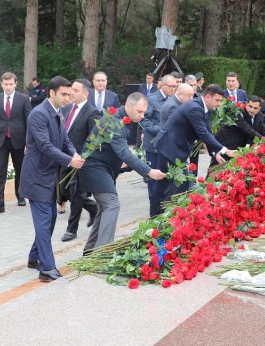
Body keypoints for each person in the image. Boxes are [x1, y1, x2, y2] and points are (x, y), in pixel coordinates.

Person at [78, 93, 166, 254]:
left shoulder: (125, 119)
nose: (142, 116)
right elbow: (124, 152)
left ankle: (91, 250)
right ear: (128, 106)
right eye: (139, 112)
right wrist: (148, 171)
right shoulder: (113, 122)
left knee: (104, 208)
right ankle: (103, 253)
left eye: (144, 112)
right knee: (112, 204)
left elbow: (119, 151)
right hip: (94, 167)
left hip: (104, 168)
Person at [20, 76, 85, 281]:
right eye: (63, 94)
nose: (67, 98)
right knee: (44, 221)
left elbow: (64, 139)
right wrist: (69, 161)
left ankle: (34, 257)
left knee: (49, 219)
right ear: (51, 93)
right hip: (36, 177)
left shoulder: (58, 112)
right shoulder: (38, 114)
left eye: (69, 94)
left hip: (49, 176)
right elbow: (45, 146)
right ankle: (47, 268)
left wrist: (74, 153)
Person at [154, 84, 235, 202]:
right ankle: (167, 210)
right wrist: (225, 150)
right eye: (217, 100)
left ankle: (166, 209)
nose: (219, 104)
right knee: (176, 184)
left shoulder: (204, 108)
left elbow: (208, 131)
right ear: (208, 97)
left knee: (172, 184)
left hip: (174, 147)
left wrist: (215, 152)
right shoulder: (195, 108)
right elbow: (203, 134)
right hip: (169, 147)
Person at [58, 79, 101, 242]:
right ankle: (93, 207)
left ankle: (71, 230)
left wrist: (83, 158)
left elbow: (93, 140)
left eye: (75, 90)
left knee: (76, 194)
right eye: (71, 90)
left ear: (86, 94)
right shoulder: (67, 108)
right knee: (62, 190)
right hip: (65, 158)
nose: (72, 93)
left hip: (80, 160)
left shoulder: (92, 112)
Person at [0, 72, 30, 214]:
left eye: (11, 84)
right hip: (1, 140)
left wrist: (29, 141)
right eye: (6, 84)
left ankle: (20, 195)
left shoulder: (24, 99)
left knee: (20, 169)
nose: (8, 87)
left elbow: (29, 121)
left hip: (19, 140)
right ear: (1, 84)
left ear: (15, 84)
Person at [142, 74, 178, 217]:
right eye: (170, 86)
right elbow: (144, 119)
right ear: (161, 85)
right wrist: (161, 130)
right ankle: (154, 215)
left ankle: (163, 212)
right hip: (154, 147)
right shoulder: (152, 100)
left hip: (167, 147)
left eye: (175, 86)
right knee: (154, 182)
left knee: (166, 182)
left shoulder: (173, 100)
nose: (173, 89)